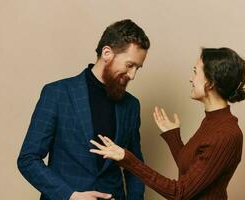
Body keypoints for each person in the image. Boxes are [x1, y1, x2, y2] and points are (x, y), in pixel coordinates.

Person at [89, 47, 245, 200]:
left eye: (195, 72)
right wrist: (173, 136)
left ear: (211, 82)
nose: (191, 79)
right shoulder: (213, 121)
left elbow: (181, 193)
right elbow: (191, 170)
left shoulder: (225, 133)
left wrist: (127, 159)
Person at [17, 19, 150, 200]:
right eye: (129, 65)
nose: (133, 75)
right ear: (107, 53)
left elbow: (135, 166)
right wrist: (70, 195)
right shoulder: (57, 93)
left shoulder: (131, 105)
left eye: (138, 68)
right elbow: (28, 159)